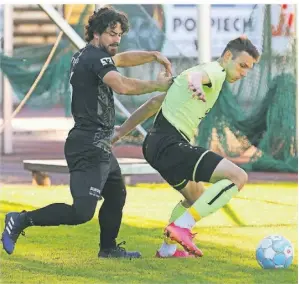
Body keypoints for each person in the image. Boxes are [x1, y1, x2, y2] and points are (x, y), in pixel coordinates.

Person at [1, 6, 173, 259]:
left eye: (119, 35)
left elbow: (122, 59)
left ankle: (109, 249)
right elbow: (122, 85)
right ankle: (20, 219)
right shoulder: (94, 58)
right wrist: (157, 85)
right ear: (95, 33)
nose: (116, 39)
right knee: (81, 213)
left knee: (116, 194)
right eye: (111, 34)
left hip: (97, 144)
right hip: (89, 145)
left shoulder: (89, 55)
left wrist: (152, 55)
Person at [112, 36, 260, 258]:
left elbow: (154, 103)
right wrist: (197, 83)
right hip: (170, 144)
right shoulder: (215, 71)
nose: (244, 73)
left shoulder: (198, 72)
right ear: (228, 56)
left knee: (196, 196)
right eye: (242, 65)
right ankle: (182, 227)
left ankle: (167, 249)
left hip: (154, 145)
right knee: (238, 177)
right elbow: (197, 77)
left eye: (249, 69)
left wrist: (119, 132)